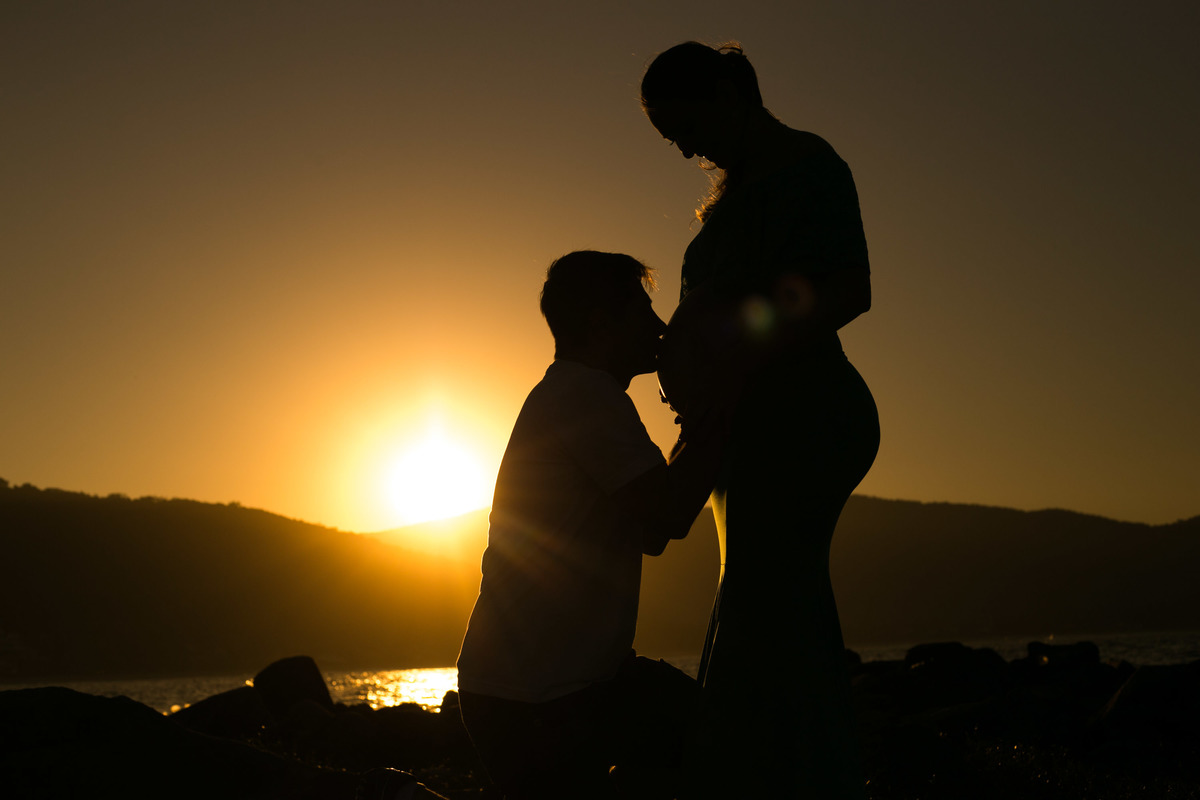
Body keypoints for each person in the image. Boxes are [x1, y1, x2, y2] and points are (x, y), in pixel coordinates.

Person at [641, 42, 881, 798]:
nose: (682, 148)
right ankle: (801, 772)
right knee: (771, 603)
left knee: (763, 603)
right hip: (746, 426)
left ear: (725, 93)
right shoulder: (735, 198)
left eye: (683, 124)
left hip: (802, 414)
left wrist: (733, 358)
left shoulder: (809, 168)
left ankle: (772, 776)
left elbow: (846, 287)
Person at [455, 250, 728, 799]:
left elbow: (651, 530)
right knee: (723, 745)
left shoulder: (575, 396)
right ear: (603, 320)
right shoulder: (586, 395)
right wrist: (727, 401)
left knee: (707, 740)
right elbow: (670, 514)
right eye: (644, 311)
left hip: (538, 687)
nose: (659, 328)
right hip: (542, 697)